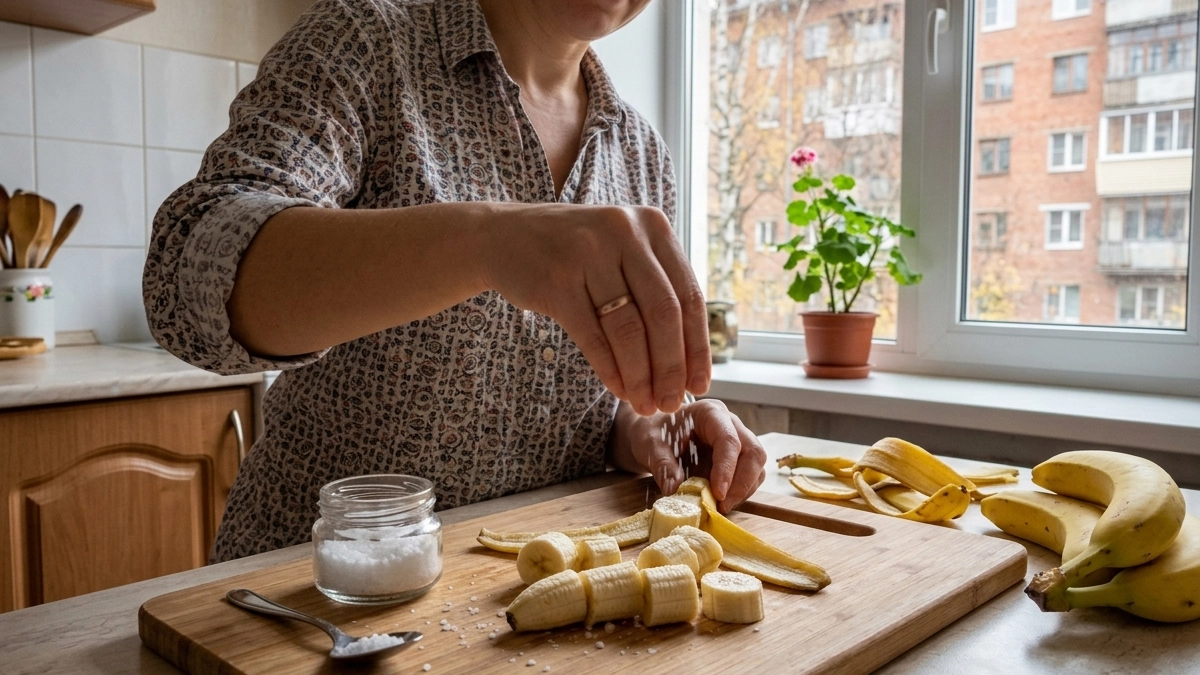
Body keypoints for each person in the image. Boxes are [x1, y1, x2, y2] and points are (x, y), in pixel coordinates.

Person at [144, 0, 767, 563]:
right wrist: (485, 240)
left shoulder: (643, 156)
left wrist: (648, 434)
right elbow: (188, 274)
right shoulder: (366, 42)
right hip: (307, 593)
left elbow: (575, 410)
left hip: (504, 605)